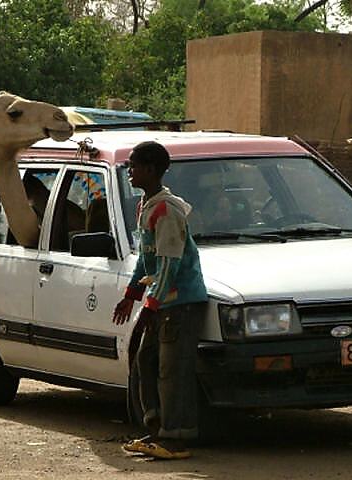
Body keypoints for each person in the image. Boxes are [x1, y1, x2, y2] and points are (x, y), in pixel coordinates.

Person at [112, 141, 208, 460]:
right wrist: (131, 295)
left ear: (151, 170)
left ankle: (176, 436)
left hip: (179, 303)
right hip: (162, 301)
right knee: (145, 359)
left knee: (172, 370)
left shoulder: (167, 210)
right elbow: (147, 259)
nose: (130, 171)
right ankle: (156, 426)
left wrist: (150, 307)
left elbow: (170, 263)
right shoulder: (147, 206)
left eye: (134, 165)